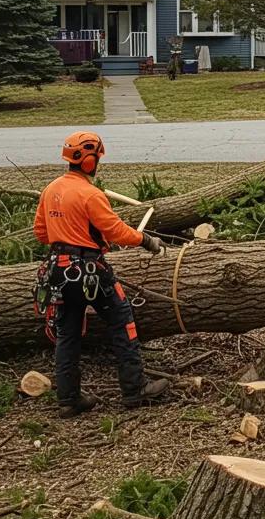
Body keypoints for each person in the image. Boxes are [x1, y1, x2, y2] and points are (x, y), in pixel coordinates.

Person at [32, 131, 169, 418]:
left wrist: (66, 234)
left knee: (67, 335)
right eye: (97, 159)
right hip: (90, 270)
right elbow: (115, 230)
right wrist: (146, 241)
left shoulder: (50, 190)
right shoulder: (91, 194)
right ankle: (135, 389)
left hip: (58, 271)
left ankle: (68, 399)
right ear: (89, 160)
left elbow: (41, 233)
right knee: (122, 321)